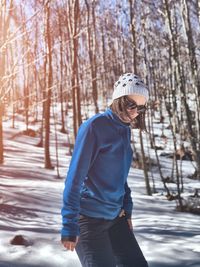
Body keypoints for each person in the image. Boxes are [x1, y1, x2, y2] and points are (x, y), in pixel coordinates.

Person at [61, 73, 149, 267]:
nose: (135, 112)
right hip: (88, 220)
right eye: (131, 104)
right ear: (118, 99)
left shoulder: (124, 130)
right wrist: (69, 224)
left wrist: (127, 210)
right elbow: (74, 178)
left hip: (116, 218)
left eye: (140, 107)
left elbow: (120, 177)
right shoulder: (94, 126)